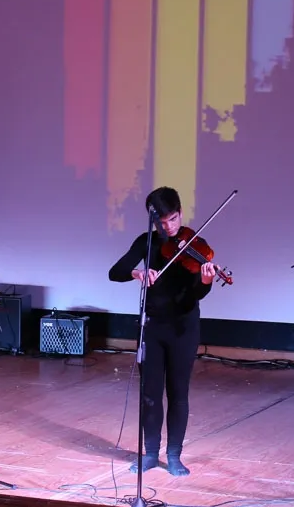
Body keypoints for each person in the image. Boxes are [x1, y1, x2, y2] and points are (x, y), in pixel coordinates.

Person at [108, 186, 217, 477]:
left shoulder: (196, 245)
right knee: (150, 395)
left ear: (180, 213)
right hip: (152, 328)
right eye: (162, 222)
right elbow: (115, 272)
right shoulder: (146, 242)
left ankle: (174, 455)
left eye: (173, 219)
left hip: (183, 329)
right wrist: (137, 273)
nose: (168, 227)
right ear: (152, 220)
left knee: (178, 393)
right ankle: (150, 453)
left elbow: (197, 293)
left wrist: (206, 281)